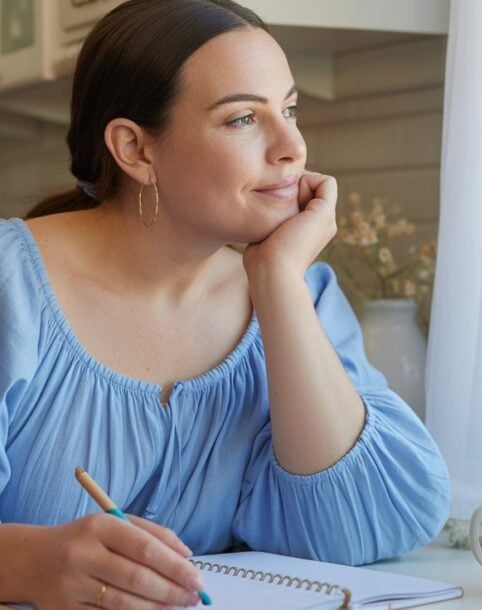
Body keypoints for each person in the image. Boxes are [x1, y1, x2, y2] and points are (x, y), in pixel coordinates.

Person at [0, 0, 451, 608]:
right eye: (244, 118)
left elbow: (368, 526)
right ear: (135, 149)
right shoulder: (11, 288)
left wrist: (277, 283)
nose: (292, 147)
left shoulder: (298, 295)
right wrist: (25, 563)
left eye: (290, 109)